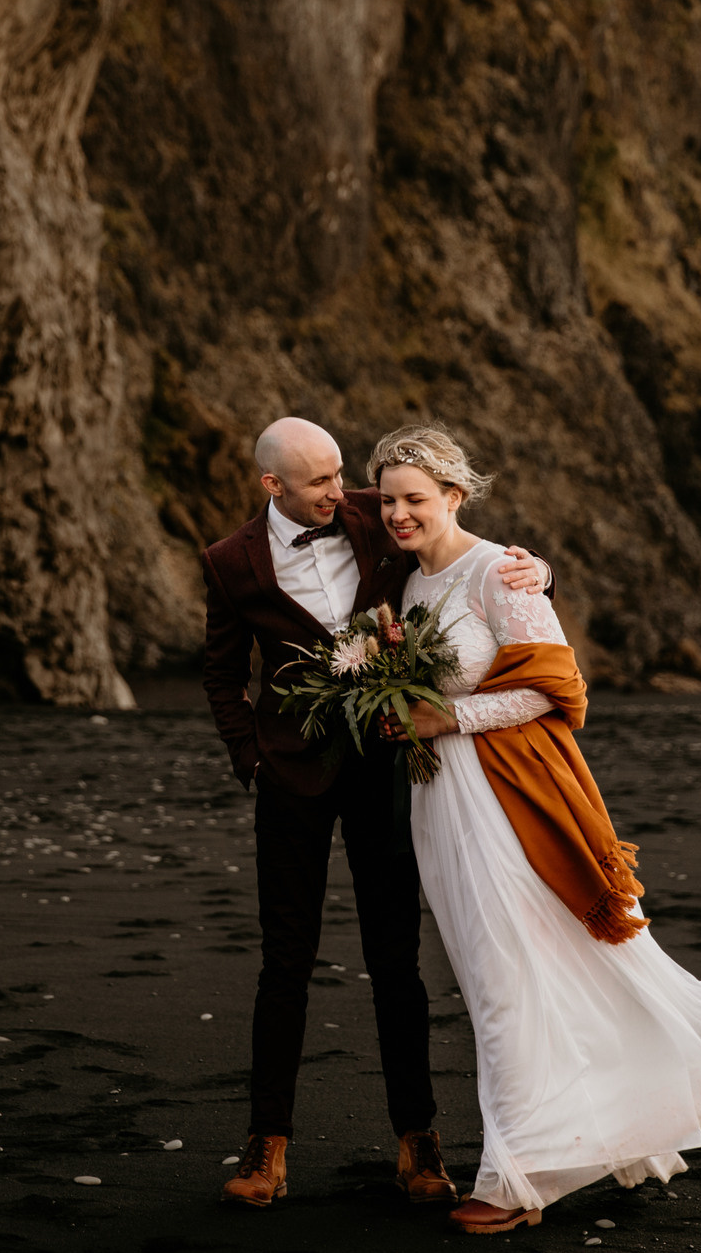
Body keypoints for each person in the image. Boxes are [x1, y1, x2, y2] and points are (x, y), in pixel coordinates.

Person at [369, 423, 701, 1233]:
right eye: (387, 500)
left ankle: (513, 1175)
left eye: (416, 498)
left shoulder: (502, 572)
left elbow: (559, 688)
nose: (399, 514)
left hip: (505, 803)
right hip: (438, 803)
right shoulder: (409, 586)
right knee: (495, 977)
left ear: (455, 495)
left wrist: (445, 713)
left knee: (502, 983)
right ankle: (553, 1142)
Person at [200, 416, 551, 1209]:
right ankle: (267, 1145)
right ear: (273, 486)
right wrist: (249, 756)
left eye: (338, 475)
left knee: (396, 960)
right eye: (321, 480)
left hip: (387, 766)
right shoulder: (229, 563)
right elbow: (222, 672)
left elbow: (456, 546)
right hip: (290, 777)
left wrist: (539, 570)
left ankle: (417, 1139)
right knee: (283, 959)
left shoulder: (377, 514)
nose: (340, 491)